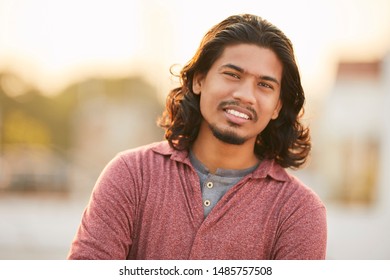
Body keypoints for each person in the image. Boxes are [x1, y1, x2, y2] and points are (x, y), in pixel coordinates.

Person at [68, 14, 327, 260]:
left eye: (264, 85)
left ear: (278, 107)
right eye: (232, 75)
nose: (245, 95)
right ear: (199, 81)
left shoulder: (299, 212)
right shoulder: (131, 174)